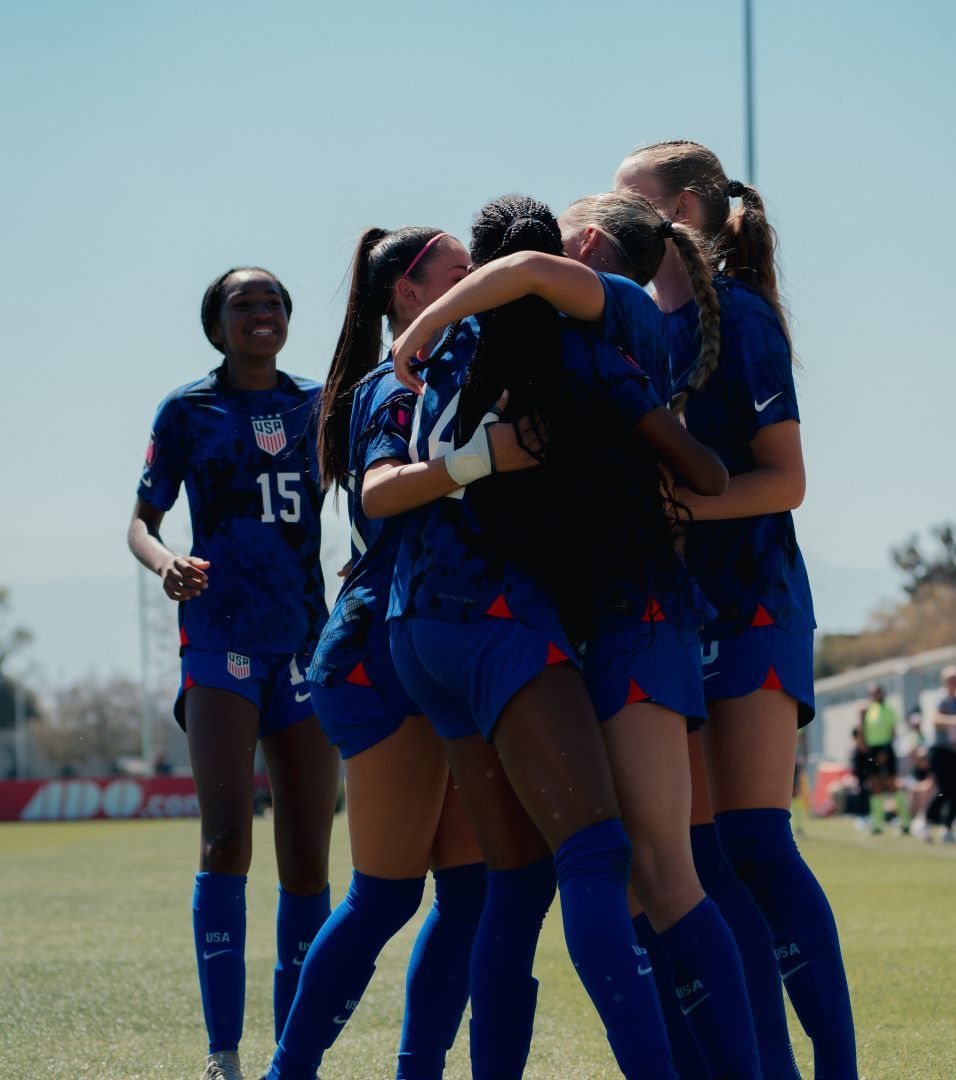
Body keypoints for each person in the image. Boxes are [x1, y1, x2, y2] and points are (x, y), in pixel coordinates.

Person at [394, 190, 770, 1079]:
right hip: (579, 631)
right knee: (615, 875)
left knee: (656, 873)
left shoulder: (603, 324)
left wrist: (419, 329)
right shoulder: (535, 347)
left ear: (590, 246)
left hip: (630, 622)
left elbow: (705, 475)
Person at [613, 139, 857, 1080]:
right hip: (670, 616)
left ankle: (836, 1069)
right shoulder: (630, 328)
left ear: (680, 212)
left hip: (754, 603)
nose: (604, 211)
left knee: (755, 841)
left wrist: (684, 507)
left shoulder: (746, 319)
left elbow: (786, 482)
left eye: (626, 198)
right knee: (702, 861)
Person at [262, 229, 508, 1080]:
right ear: (408, 293)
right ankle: (285, 1073)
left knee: (471, 892)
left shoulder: (460, 364)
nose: (475, 283)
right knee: (388, 894)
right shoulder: (391, 382)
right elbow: (378, 490)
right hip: (380, 653)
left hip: (442, 646)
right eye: (458, 273)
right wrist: (484, 459)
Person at [127, 268, 340, 1080]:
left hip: (305, 646)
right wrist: (165, 562)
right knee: (224, 841)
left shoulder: (321, 403)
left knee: (311, 861)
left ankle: (296, 1057)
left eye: (275, 302)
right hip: (219, 641)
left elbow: (369, 494)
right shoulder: (187, 411)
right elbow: (142, 521)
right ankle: (224, 1055)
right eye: (244, 303)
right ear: (216, 326)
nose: (263, 312)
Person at [860, 683, 911, 835]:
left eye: (877, 693)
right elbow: (864, 730)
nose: (875, 696)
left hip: (885, 749)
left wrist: (886, 751)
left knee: (892, 785)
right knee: (875, 786)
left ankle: (905, 822)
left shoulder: (888, 710)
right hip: (872, 751)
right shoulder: (869, 710)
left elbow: (893, 733)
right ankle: (877, 823)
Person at [928, 665, 956, 842]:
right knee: (944, 790)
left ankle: (947, 826)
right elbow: (936, 719)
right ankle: (927, 821)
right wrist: (955, 720)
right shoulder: (941, 700)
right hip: (941, 750)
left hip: (955, 751)